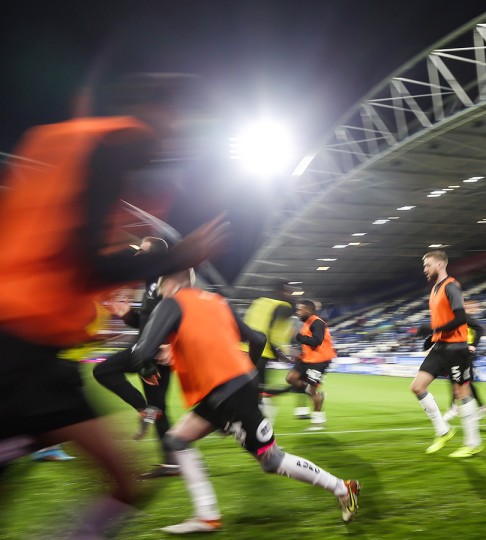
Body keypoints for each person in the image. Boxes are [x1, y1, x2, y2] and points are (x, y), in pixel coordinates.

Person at [0, 73, 228, 538]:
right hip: (23, 351)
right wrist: (178, 256)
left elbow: (61, 259)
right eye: (184, 123)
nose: (180, 136)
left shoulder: (60, 143)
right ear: (163, 112)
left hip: (30, 350)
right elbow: (83, 266)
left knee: (124, 485)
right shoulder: (118, 144)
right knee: (124, 487)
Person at [131, 269, 360, 533]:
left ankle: (344, 488)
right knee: (176, 440)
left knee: (271, 461)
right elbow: (257, 339)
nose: (158, 291)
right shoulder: (217, 302)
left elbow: (141, 354)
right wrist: (247, 374)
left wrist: (149, 367)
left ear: (168, 282)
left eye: (160, 285)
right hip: (223, 393)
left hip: (228, 395)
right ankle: (206, 516)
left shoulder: (172, 303)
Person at [93, 236, 180, 479]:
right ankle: (171, 460)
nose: (136, 255)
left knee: (104, 371)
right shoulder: (151, 282)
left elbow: (178, 313)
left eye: (141, 251)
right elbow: (146, 323)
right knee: (158, 407)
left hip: (153, 352)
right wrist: (127, 314)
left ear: (152, 256)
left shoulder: (166, 280)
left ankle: (147, 413)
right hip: (146, 350)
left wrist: (168, 344)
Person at [410, 251, 483, 458]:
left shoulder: (451, 286)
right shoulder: (434, 289)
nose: (425, 269)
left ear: (441, 264)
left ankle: (473, 443)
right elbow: (444, 320)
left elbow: (460, 318)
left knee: (463, 394)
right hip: (440, 347)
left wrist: (433, 329)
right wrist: (432, 337)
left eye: (428, 265)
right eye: (424, 266)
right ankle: (443, 430)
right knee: (417, 387)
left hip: (456, 349)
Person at [241, 282, 295, 418]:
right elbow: (269, 332)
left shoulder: (258, 302)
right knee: (259, 392)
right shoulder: (283, 307)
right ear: (282, 292)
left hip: (241, 350)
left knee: (244, 389)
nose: (292, 295)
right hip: (260, 352)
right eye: (290, 292)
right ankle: (261, 425)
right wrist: (280, 354)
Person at [285, 299, 336, 430]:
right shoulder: (306, 323)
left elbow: (316, 341)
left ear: (308, 310)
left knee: (313, 391)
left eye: (300, 310)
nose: (297, 312)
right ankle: (309, 390)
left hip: (320, 361)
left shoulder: (317, 322)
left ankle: (318, 422)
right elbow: (307, 343)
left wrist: (298, 337)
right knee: (291, 378)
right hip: (307, 359)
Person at [443, 298, 486, 422]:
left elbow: (479, 330)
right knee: (461, 382)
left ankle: (454, 407)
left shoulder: (468, 319)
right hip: (458, 353)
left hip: (465, 354)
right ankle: (478, 406)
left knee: (459, 382)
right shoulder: (461, 319)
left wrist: (473, 345)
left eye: (471, 307)